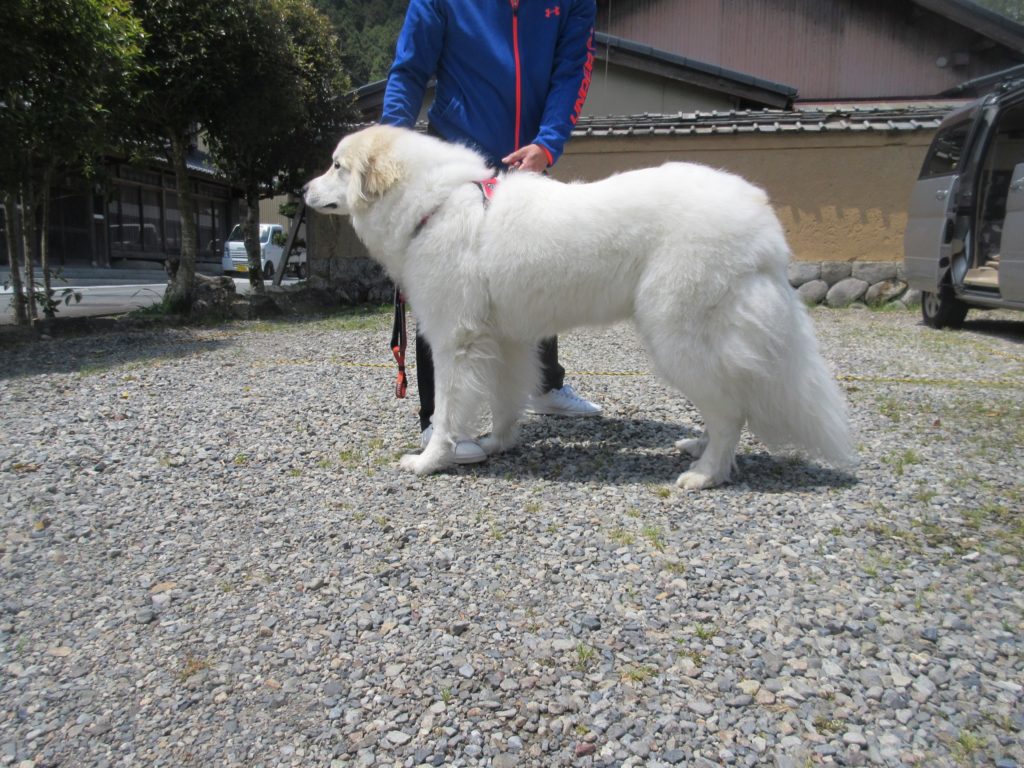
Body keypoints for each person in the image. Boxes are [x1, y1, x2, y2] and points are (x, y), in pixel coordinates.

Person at [381, 0, 602, 463]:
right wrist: (390, 146)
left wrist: (549, 142)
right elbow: (409, 70)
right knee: (445, 289)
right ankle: (435, 423)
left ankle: (544, 385)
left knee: (534, 273)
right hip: (458, 157)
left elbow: (572, 70)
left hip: (527, 157)